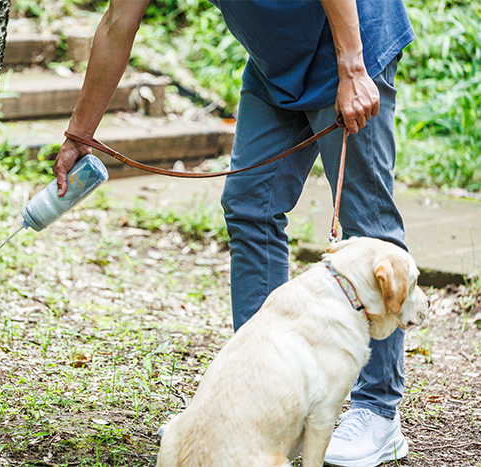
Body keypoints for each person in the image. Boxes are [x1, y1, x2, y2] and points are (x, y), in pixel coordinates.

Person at [52, 1, 415, 466]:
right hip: (277, 68)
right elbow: (117, 21)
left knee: (368, 225)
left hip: (349, 46)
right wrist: (80, 134)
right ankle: (259, 398)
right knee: (249, 206)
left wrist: (352, 66)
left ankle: (378, 411)